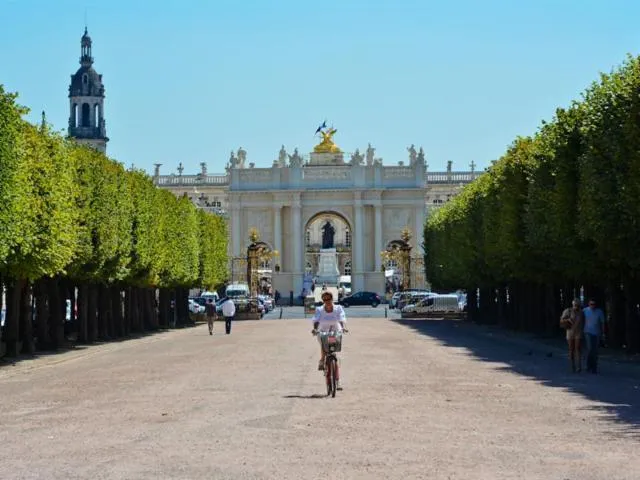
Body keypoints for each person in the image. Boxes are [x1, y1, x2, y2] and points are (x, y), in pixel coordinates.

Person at [311, 291, 348, 389]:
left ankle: (337, 381)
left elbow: (341, 319)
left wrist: (343, 327)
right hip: (322, 330)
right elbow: (316, 320)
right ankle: (322, 360)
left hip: (335, 330)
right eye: (324, 299)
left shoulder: (338, 308)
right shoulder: (319, 309)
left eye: (328, 299)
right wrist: (315, 329)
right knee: (324, 344)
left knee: (333, 351)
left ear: (332, 299)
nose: (327, 301)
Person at [560, 298, 585, 372]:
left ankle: (579, 366)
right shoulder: (568, 311)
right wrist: (568, 320)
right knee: (571, 349)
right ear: (573, 304)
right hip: (570, 332)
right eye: (575, 305)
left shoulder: (581, 312)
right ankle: (572, 365)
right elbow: (561, 320)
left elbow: (584, 321)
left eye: (578, 305)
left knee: (578, 348)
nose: (576, 306)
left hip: (578, 332)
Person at [583, 299, 606, 373]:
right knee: (590, 349)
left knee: (595, 350)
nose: (592, 306)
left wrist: (603, 333)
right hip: (587, 332)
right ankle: (588, 365)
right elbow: (580, 320)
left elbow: (602, 323)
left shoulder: (599, 312)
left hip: (597, 333)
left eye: (594, 304)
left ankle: (594, 367)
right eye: (591, 304)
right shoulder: (585, 311)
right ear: (589, 304)